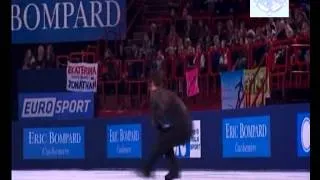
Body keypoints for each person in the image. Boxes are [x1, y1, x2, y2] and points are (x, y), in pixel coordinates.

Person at [137, 72, 193, 180]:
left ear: (152, 83)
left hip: (180, 126)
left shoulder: (157, 94)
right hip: (186, 126)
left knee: (161, 143)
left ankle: (147, 169)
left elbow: (161, 109)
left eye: (150, 84)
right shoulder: (166, 93)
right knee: (165, 142)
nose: (149, 88)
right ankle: (174, 171)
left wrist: (158, 122)